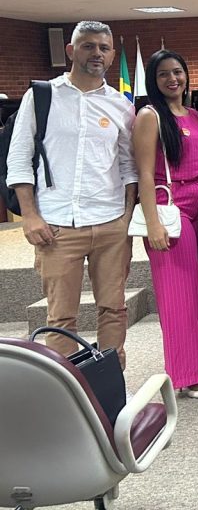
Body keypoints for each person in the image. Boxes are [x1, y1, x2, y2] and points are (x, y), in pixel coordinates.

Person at [8, 21, 137, 367]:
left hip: (111, 223)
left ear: (112, 55)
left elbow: (128, 166)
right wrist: (30, 216)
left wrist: (126, 218)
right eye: (88, 46)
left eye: (104, 48)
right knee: (61, 316)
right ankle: (67, 388)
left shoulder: (121, 105)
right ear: (70, 50)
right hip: (57, 225)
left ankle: (111, 382)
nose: (97, 53)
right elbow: (18, 159)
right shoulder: (42, 96)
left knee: (114, 309)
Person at [132, 50, 198, 397]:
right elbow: (143, 174)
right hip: (169, 208)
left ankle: (197, 369)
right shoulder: (149, 116)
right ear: (153, 80)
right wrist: (152, 223)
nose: (172, 79)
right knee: (178, 295)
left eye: (177, 71)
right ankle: (187, 377)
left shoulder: (193, 115)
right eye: (163, 74)